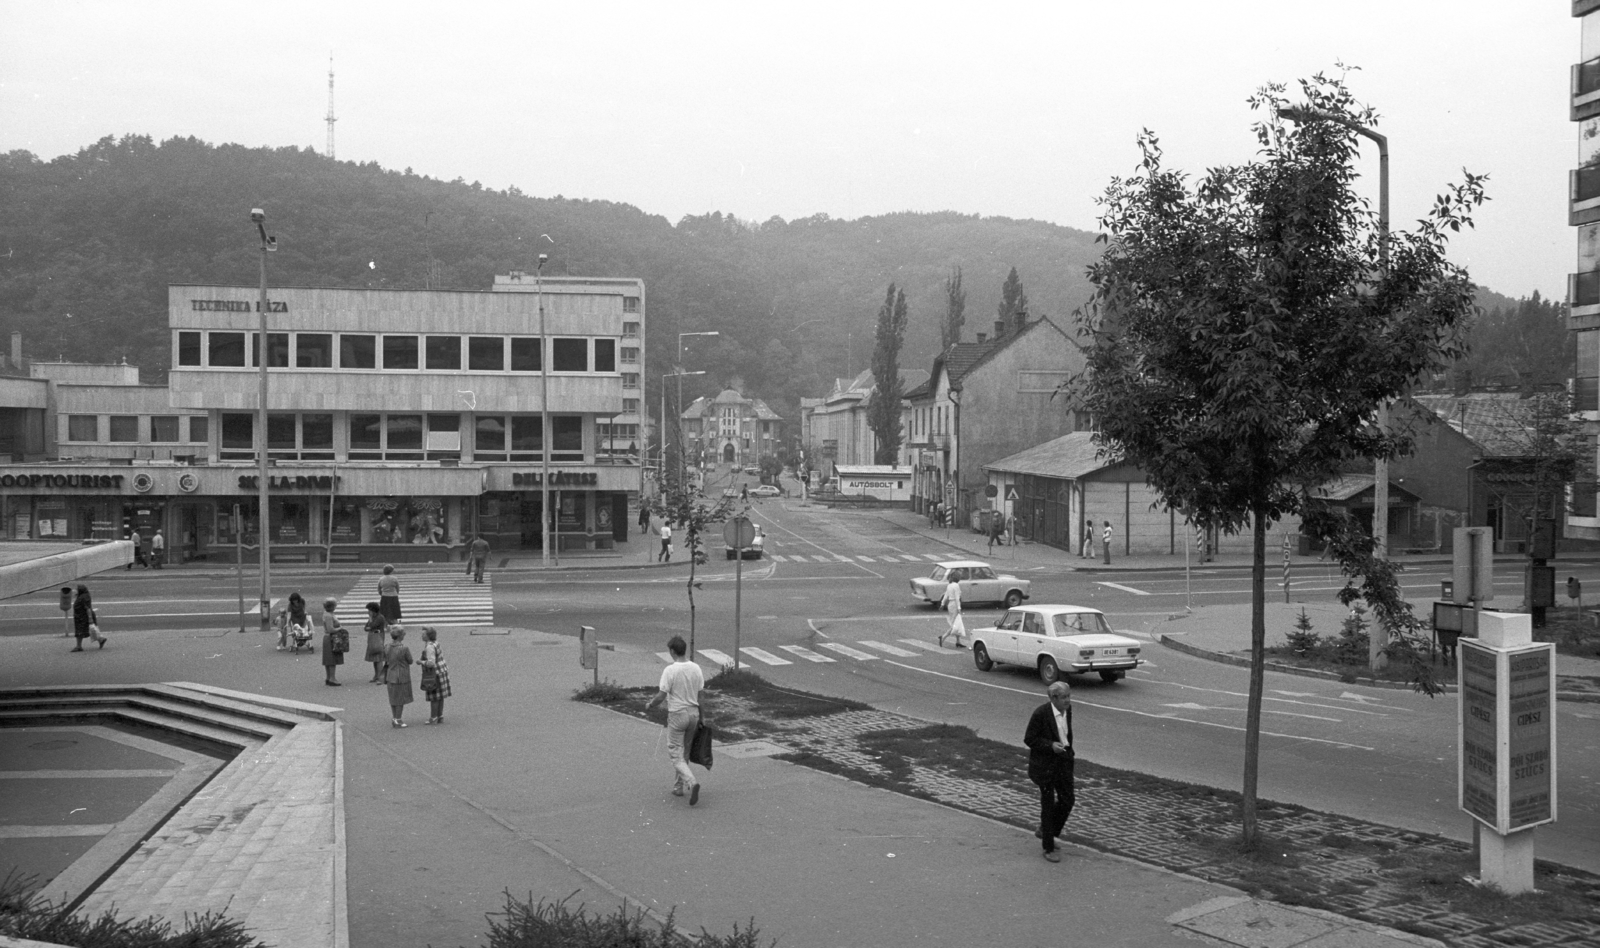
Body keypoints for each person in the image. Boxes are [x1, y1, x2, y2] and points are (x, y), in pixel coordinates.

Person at [644, 635, 705, 805]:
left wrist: (650, 704)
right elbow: (701, 696)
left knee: (674, 754)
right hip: (694, 715)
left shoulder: (670, 670)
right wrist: (703, 717)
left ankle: (692, 783)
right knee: (684, 752)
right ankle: (678, 787)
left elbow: (661, 695)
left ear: (672, 651)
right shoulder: (696, 668)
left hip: (678, 715)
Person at [1024, 680, 1076, 863]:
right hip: (1045, 766)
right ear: (1053, 698)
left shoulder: (1067, 710)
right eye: (1064, 697)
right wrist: (1049, 745)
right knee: (1047, 805)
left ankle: (1047, 831)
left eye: (1069, 696)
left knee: (1068, 800)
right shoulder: (1041, 714)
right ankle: (1048, 847)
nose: (1068, 701)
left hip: (1063, 762)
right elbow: (1029, 739)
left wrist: (1068, 751)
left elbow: (1066, 733)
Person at [383, 625, 415, 728]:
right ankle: (398, 719)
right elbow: (410, 660)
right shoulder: (404, 648)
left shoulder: (387, 646)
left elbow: (385, 658)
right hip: (401, 675)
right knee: (400, 698)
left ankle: (394, 717)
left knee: (393, 698)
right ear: (400, 636)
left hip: (390, 675)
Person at [418, 627, 451, 724]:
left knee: (434, 697)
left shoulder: (429, 647)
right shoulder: (436, 643)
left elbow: (431, 663)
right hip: (442, 669)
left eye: (424, 634)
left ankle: (433, 717)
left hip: (434, 673)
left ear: (428, 636)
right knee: (440, 696)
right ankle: (440, 716)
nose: (422, 636)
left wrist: (421, 662)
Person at [71, 584, 106, 651]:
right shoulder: (82, 596)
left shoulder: (84, 597)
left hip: (83, 617)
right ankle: (101, 640)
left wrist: (90, 619)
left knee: (83, 630)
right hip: (80, 616)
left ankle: (79, 646)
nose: (75, 590)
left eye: (76, 589)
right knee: (88, 630)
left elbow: (88, 608)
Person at [320, 598, 345, 686]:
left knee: (328, 659)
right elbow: (331, 629)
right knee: (332, 659)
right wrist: (340, 628)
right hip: (331, 638)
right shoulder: (329, 616)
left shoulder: (327, 614)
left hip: (328, 638)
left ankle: (328, 677)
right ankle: (332, 678)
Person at [363, 602, 389, 683]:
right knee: (375, 659)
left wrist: (369, 623)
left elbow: (371, 626)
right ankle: (376, 675)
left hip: (377, 639)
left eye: (369, 610)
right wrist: (369, 626)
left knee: (378, 659)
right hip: (373, 638)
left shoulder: (379, 617)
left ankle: (380, 677)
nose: (368, 612)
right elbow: (365, 627)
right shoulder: (373, 617)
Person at [938, 571, 965, 648]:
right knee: (955, 625)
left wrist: (942, 604)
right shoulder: (956, 585)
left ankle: (958, 641)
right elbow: (957, 598)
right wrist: (959, 608)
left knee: (956, 622)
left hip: (950, 605)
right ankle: (943, 637)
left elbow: (946, 596)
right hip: (955, 605)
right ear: (957, 578)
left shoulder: (949, 585)